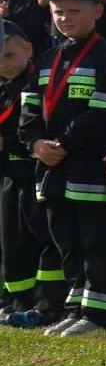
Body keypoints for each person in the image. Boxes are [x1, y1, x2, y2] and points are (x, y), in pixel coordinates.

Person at [17, 0, 106, 334]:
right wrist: (35, 145)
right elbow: (28, 112)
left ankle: (100, 315)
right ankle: (78, 307)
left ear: (97, 11)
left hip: (90, 169)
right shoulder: (46, 59)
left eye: (74, 10)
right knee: (67, 241)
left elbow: (102, 112)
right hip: (51, 169)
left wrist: (60, 144)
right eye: (58, 11)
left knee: (97, 240)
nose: (65, 18)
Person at [0, 24, 41, 320]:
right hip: (7, 175)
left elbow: (38, 129)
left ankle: (34, 299)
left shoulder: (37, 81)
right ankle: (14, 296)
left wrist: (9, 142)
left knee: (34, 237)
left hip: (32, 170)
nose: (2, 62)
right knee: (9, 239)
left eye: (8, 55)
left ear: (27, 49)